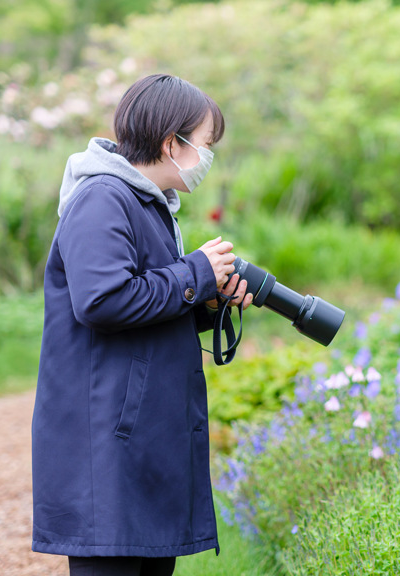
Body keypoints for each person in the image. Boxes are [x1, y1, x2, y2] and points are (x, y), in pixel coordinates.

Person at [31, 73, 252, 576]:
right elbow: (104, 301)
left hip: (137, 446)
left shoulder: (147, 204)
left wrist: (210, 302)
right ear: (171, 143)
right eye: (204, 144)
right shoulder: (102, 199)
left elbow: (148, 303)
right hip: (106, 449)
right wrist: (197, 271)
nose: (207, 157)